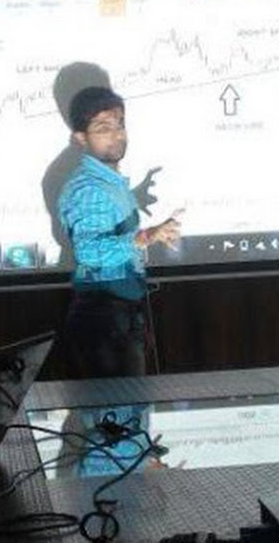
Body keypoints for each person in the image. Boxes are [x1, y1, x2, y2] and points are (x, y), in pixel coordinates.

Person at [58, 86, 182, 378]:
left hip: (118, 314)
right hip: (104, 318)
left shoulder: (108, 182)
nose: (116, 135)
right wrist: (145, 237)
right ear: (80, 137)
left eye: (119, 125)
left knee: (126, 403)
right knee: (118, 406)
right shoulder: (89, 188)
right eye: (103, 128)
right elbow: (89, 252)